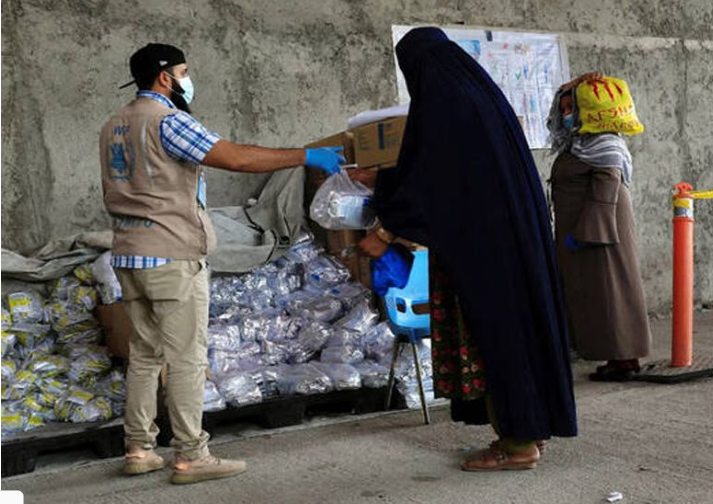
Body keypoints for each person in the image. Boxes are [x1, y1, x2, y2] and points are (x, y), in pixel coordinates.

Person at [100, 43, 344, 484]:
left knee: (144, 355)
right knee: (188, 358)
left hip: (129, 253)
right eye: (184, 71)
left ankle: (138, 448)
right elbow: (236, 157)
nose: (188, 79)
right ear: (164, 78)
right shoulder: (169, 121)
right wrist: (305, 156)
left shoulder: (114, 124)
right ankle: (192, 454)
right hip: (172, 253)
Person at [358, 27, 577, 471]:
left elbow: (431, 183)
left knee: (497, 338)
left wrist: (383, 231)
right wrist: (383, 181)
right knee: (523, 332)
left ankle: (516, 446)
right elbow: (444, 170)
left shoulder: (444, 104)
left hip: (485, 254)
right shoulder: (480, 98)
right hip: (514, 243)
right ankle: (530, 428)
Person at [546, 73, 652, 381]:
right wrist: (573, 84)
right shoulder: (581, 143)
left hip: (600, 233)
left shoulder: (604, 144)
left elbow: (606, 191)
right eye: (564, 109)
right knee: (599, 295)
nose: (565, 115)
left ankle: (624, 358)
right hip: (587, 231)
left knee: (612, 293)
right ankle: (616, 356)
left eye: (570, 110)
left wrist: (589, 233)